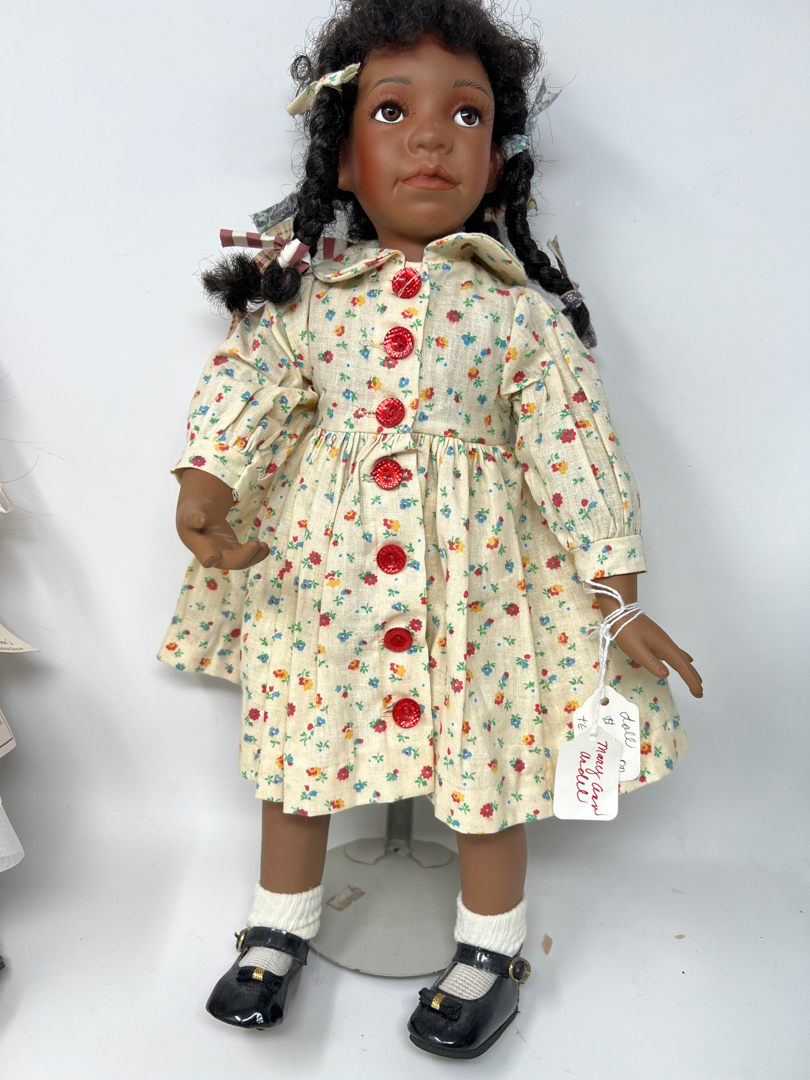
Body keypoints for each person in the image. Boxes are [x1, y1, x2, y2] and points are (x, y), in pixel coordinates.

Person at [159, 0, 703, 1058]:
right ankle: (279, 923)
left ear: (497, 161)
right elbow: (246, 392)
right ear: (342, 156)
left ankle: (490, 948)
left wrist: (617, 598)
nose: (428, 139)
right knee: (301, 747)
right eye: (391, 111)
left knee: (489, 759)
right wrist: (202, 491)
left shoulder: (518, 312)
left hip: (480, 583)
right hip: (323, 575)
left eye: (466, 116)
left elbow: (577, 452)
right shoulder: (308, 297)